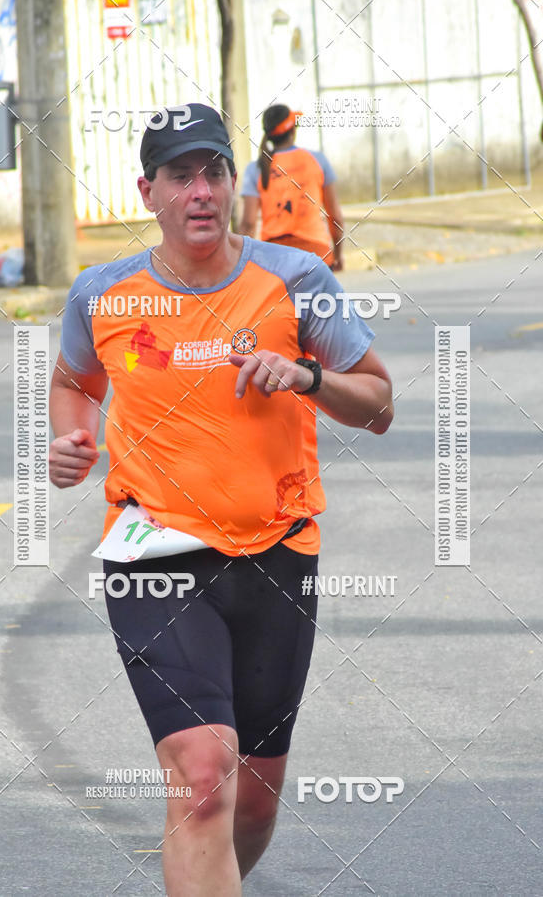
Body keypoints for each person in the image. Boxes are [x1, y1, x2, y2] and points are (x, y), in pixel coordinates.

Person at [49, 102, 393, 896]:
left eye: (213, 171)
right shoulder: (101, 293)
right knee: (205, 775)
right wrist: (74, 440)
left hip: (278, 552)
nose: (199, 190)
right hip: (155, 553)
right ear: (148, 191)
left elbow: (379, 403)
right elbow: (74, 382)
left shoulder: (297, 279)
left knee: (253, 797)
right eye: (180, 175)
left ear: (234, 184)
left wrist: (308, 376)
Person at [239, 104, 345, 271]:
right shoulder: (317, 160)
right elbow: (336, 218)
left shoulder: (256, 168)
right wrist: (338, 255)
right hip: (316, 255)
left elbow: (248, 223)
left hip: (273, 259)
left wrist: (241, 267)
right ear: (293, 131)